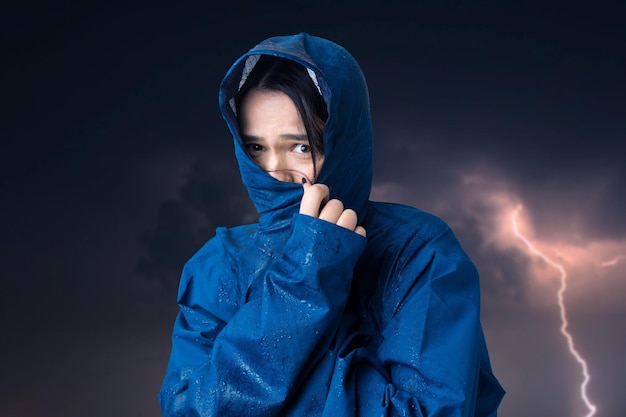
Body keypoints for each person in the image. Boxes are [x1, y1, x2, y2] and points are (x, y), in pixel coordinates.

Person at [158, 33, 505, 416]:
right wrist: (305, 279)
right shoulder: (217, 265)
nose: (275, 171)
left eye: (301, 146)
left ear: (345, 141)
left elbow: (430, 410)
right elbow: (188, 411)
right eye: (256, 147)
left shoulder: (418, 251)